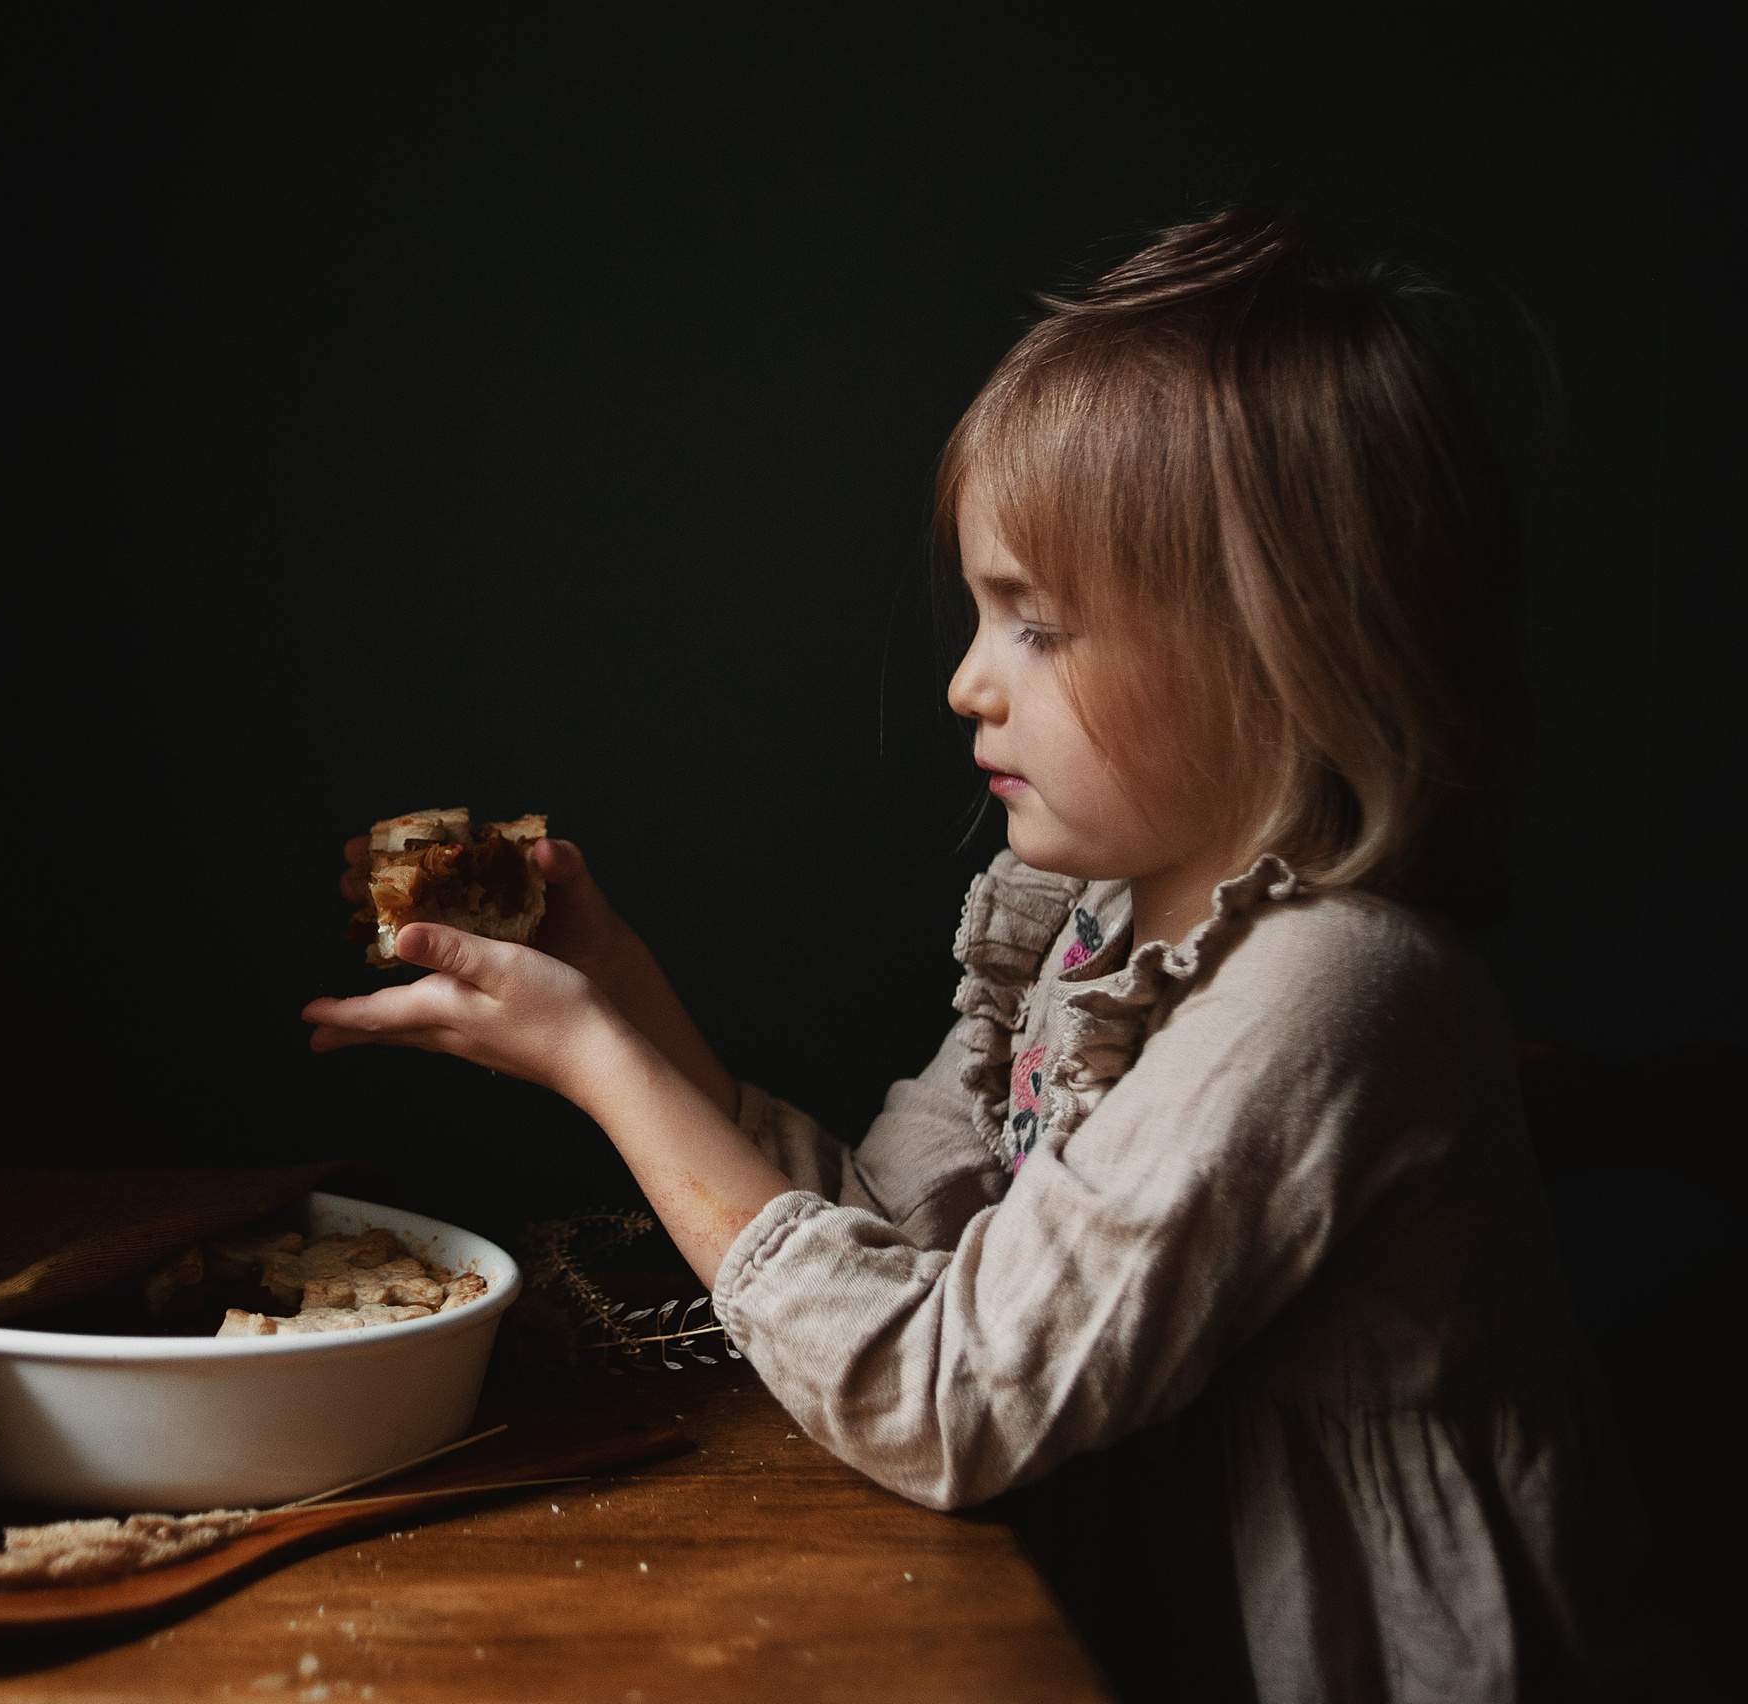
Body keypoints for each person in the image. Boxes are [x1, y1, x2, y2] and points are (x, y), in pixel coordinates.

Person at [302, 210, 1673, 1702]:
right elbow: (891, 1248)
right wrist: (624, 998)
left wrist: (604, 1067)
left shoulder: (1334, 985)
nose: (967, 682)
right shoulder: (1098, 937)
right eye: (978, 612)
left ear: (1281, 645)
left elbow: (945, 1397)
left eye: (1036, 622)